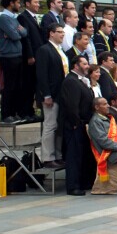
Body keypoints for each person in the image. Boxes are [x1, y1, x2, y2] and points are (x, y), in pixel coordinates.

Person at [60, 55, 95, 195]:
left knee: (83, 154)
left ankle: (84, 182)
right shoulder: (71, 81)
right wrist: (76, 122)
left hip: (83, 124)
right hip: (75, 125)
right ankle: (73, 186)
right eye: (84, 64)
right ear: (76, 65)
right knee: (74, 156)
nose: (87, 66)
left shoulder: (80, 80)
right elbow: (72, 105)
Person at [36, 23, 69, 167]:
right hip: (51, 95)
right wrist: (46, 95)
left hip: (62, 94)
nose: (62, 34)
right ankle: (48, 157)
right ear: (51, 33)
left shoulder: (60, 50)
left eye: (63, 32)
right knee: (50, 125)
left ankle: (58, 155)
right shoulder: (44, 50)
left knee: (59, 126)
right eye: (59, 32)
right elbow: (42, 74)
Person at [0, 0, 28, 123]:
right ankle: (6, 115)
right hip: (8, 57)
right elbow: (15, 35)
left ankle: (14, 112)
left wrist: (15, 31)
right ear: (11, 3)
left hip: (17, 56)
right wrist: (16, 31)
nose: (19, 5)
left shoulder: (13, 18)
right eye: (18, 2)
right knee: (9, 86)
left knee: (17, 86)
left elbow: (24, 32)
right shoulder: (3, 18)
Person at [18, 0, 44, 121]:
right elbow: (26, 37)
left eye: (38, 2)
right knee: (27, 84)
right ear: (27, 3)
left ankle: (30, 111)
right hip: (30, 57)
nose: (38, 5)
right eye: (35, 2)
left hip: (37, 56)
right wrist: (30, 55)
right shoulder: (23, 17)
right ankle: (25, 112)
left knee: (33, 84)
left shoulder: (34, 18)